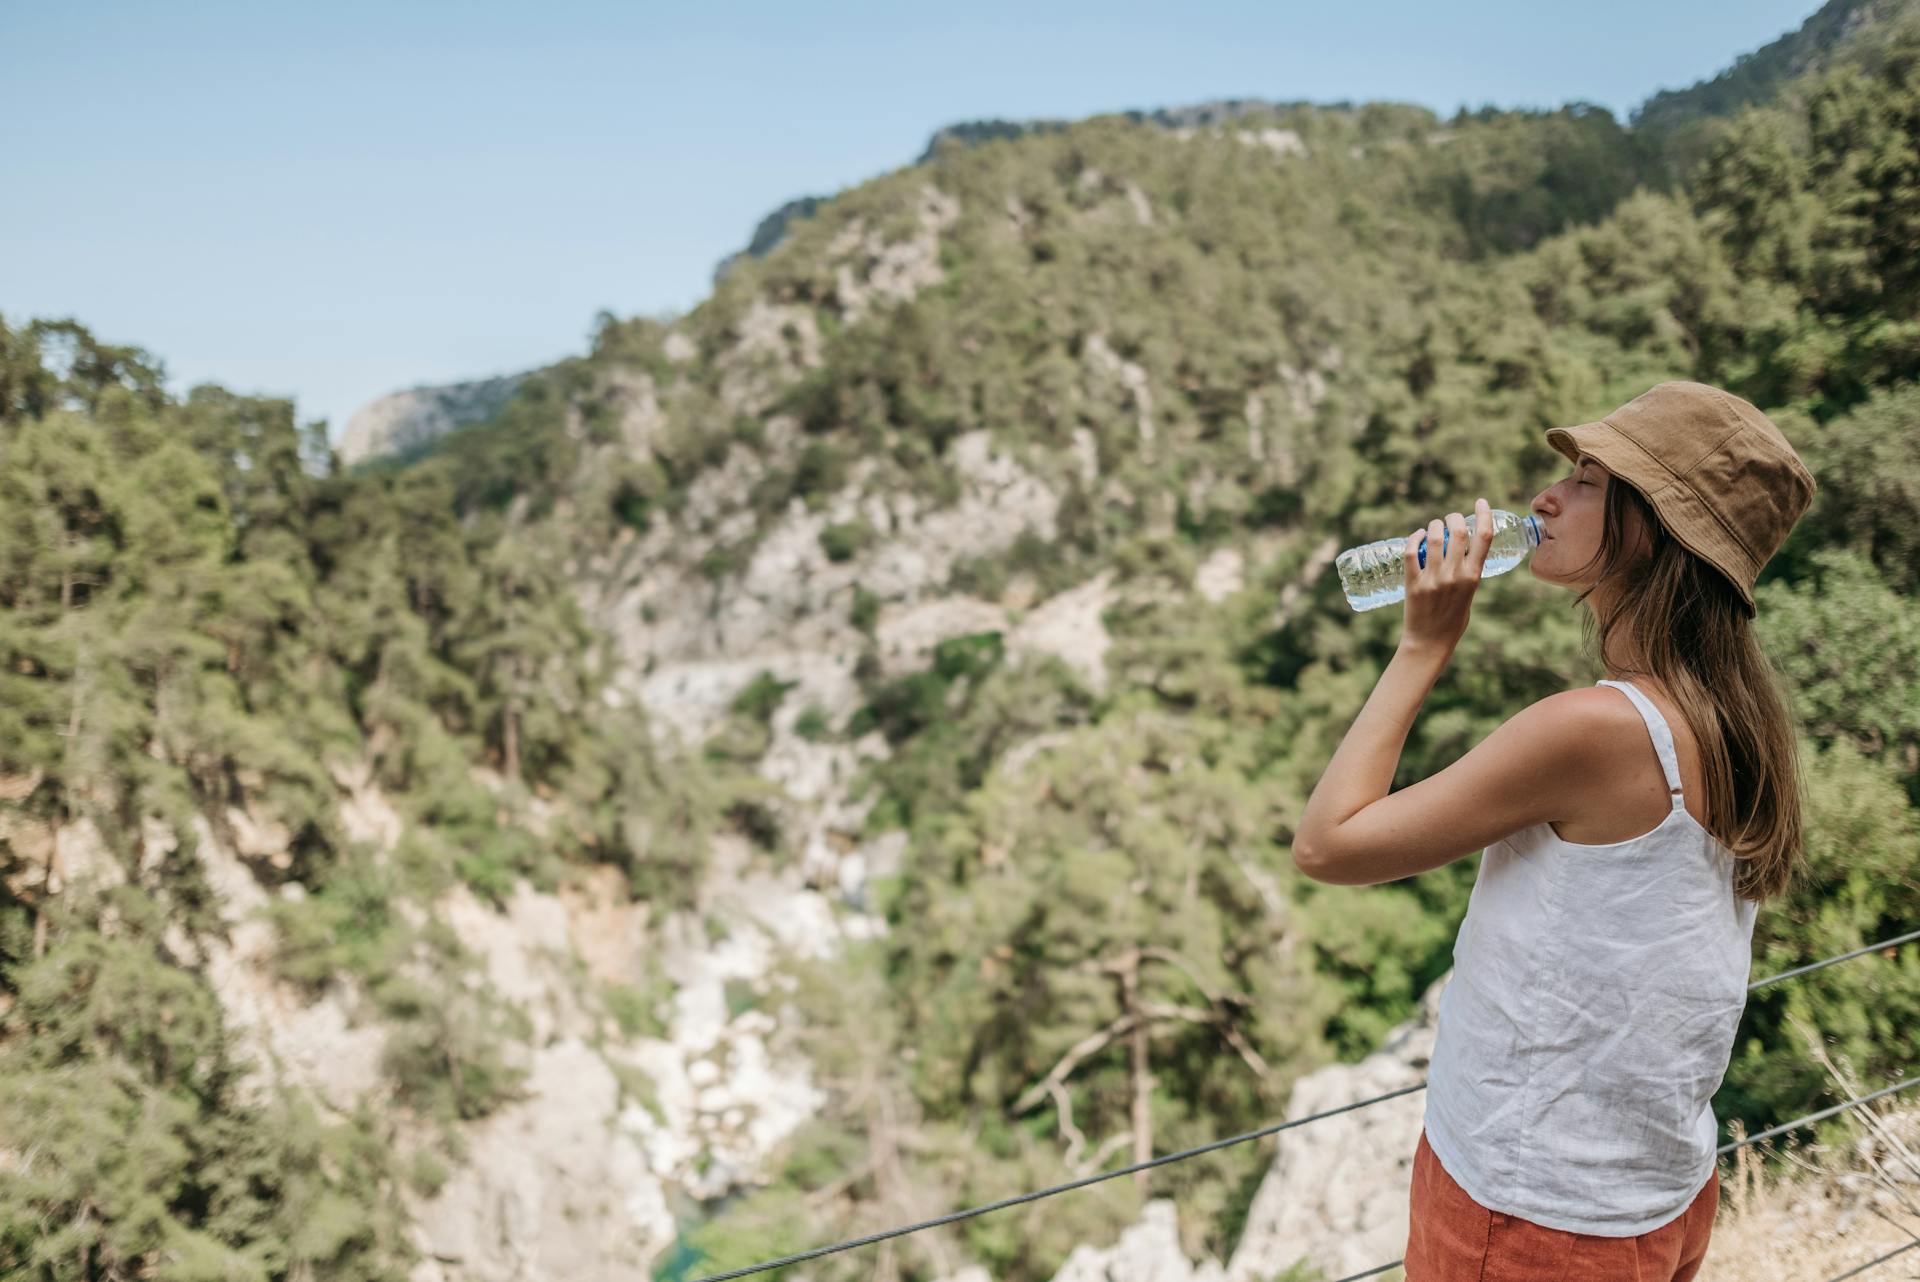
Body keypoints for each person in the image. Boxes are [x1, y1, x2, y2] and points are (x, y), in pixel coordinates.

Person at [1291, 381, 1818, 1279]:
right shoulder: (1734, 720)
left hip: (1528, 1212)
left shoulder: (1595, 730)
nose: (1544, 498)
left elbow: (1327, 845)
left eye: (1589, 480)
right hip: (1658, 1196)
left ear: (1657, 529)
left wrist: (1423, 645)